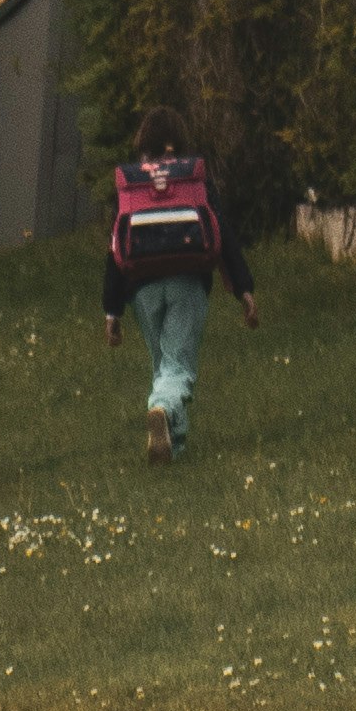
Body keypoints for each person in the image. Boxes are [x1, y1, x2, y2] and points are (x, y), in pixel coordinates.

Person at [102, 104, 259, 461]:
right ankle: (160, 408)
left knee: (164, 365)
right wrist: (243, 287)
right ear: (178, 141)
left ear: (144, 141)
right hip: (187, 282)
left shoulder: (132, 184)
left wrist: (112, 311)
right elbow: (224, 235)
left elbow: (113, 249)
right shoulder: (192, 180)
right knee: (178, 368)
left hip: (142, 288)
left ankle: (175, 445)